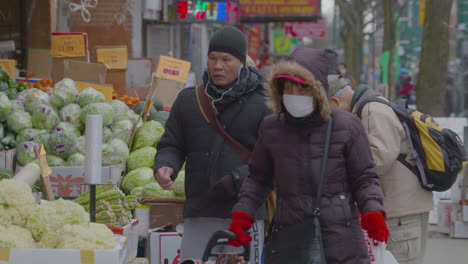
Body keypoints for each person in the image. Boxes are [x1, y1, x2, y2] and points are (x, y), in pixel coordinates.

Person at [227, 47, 389, 263]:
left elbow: (364, 177)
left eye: (302, 89)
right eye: (288, 88)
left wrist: (373, 211)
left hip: (341, 243)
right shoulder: (272, 127)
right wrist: (243, 211)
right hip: (291, 240)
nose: (294, 95)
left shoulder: (347, 126)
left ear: (318, 91)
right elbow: (258, 178)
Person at [153, 25, 270, 263]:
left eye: (226, 59)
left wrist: (237, 179)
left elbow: (272, 159)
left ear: (241, 62)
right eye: (213, 58)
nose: (218, 66)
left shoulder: (265, 104)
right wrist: (166, 164)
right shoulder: (189, 100)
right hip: (199, 211)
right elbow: (171, 144)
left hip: (244, 214)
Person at [328, 75, 433, 264]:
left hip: (399, 212)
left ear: (335, 101)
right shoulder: (368, 106)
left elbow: (378, 159)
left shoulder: (371, 110)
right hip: (401, 208)